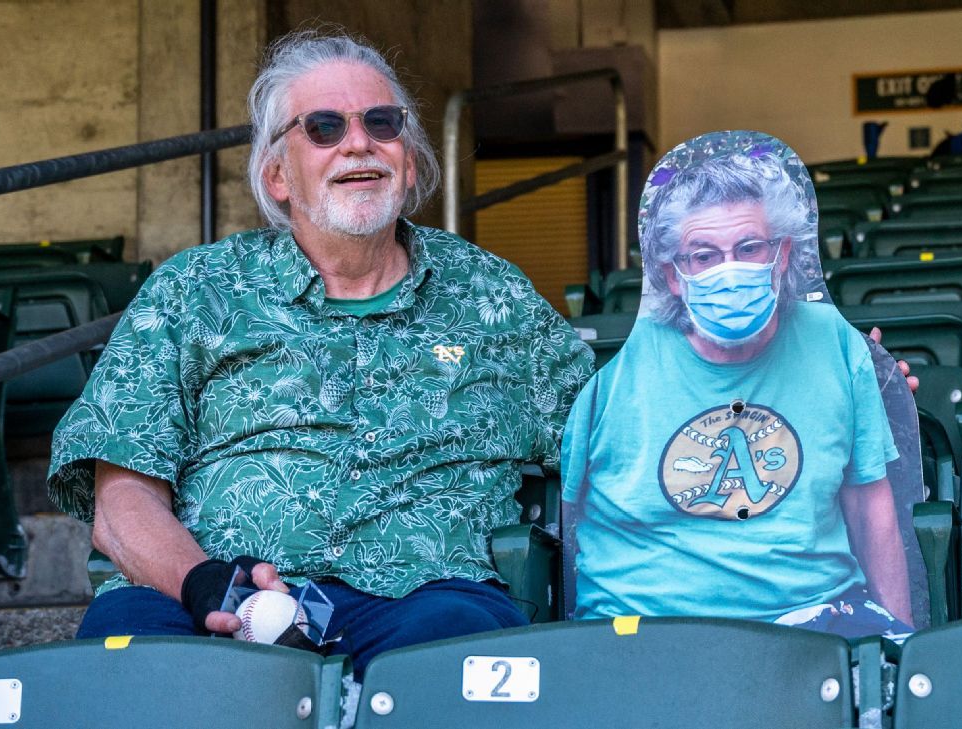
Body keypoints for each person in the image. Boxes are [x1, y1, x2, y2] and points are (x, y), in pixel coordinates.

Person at [48, 30, 594, 676]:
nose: (358, 142)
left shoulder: (493, 297)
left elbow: (608, 436)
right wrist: (207, 586)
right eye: (325, 127)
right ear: (277, 174)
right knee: (129, 652)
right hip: (215, 599)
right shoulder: (195, 292)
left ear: (409, 162)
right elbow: (120, 505)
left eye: (381, 123)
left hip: (427, 600)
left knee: (462, 651)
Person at [562, 131, 915, 639]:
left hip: (812, 620)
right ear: (674, 274)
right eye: (703, 255)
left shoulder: (837, 344)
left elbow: (872, 508)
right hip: (645, 627)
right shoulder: (610, 372)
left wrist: (898, 644)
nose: (728, 269)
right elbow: (569, 521)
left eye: (749, 248)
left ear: (784, 253)